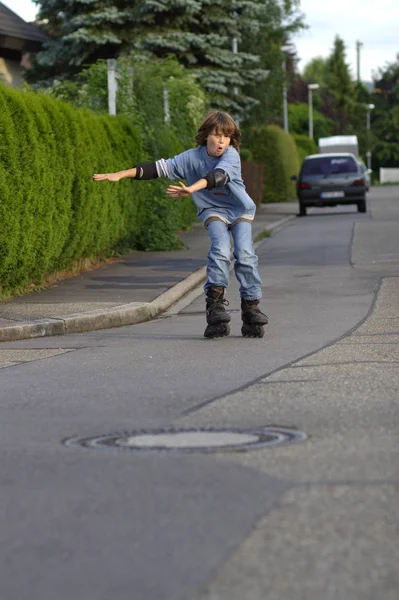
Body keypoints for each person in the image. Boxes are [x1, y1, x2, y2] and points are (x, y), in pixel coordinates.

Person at [93, 110, 268, 338]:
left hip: (239, 210)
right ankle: (215, 307)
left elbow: (218, 176)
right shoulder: (191, 158)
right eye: (216, 135)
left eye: (226, 136)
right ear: (206, 135)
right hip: (213, 210)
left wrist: (191, 189)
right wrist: (121, 173)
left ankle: (251, 308)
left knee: (245, 254)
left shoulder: (231, 156)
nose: (221, 141)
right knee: (221, 251)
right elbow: (157, 168)